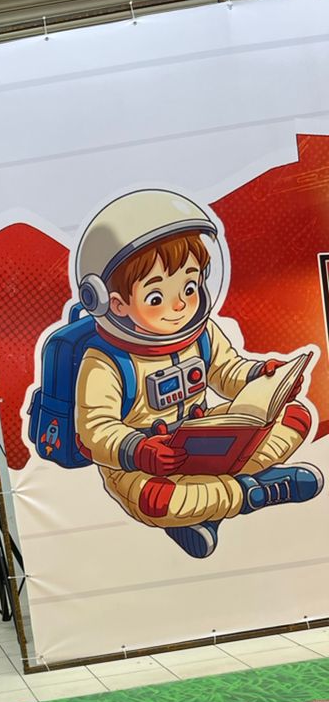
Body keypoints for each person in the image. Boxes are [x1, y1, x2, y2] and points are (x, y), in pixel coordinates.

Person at [72, 189, 321, 559]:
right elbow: (95, 430)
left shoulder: (201, 334)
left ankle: (207, 509)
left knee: (295, 417)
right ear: (114, 302)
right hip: (142, 464)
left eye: (189, 287)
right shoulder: (105, 361)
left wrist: (265, 378)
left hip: (207, 437)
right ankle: (252, 492)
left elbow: (227, 371)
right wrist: (139, 451)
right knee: (157, 500)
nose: (179, 305)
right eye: (156, 297)